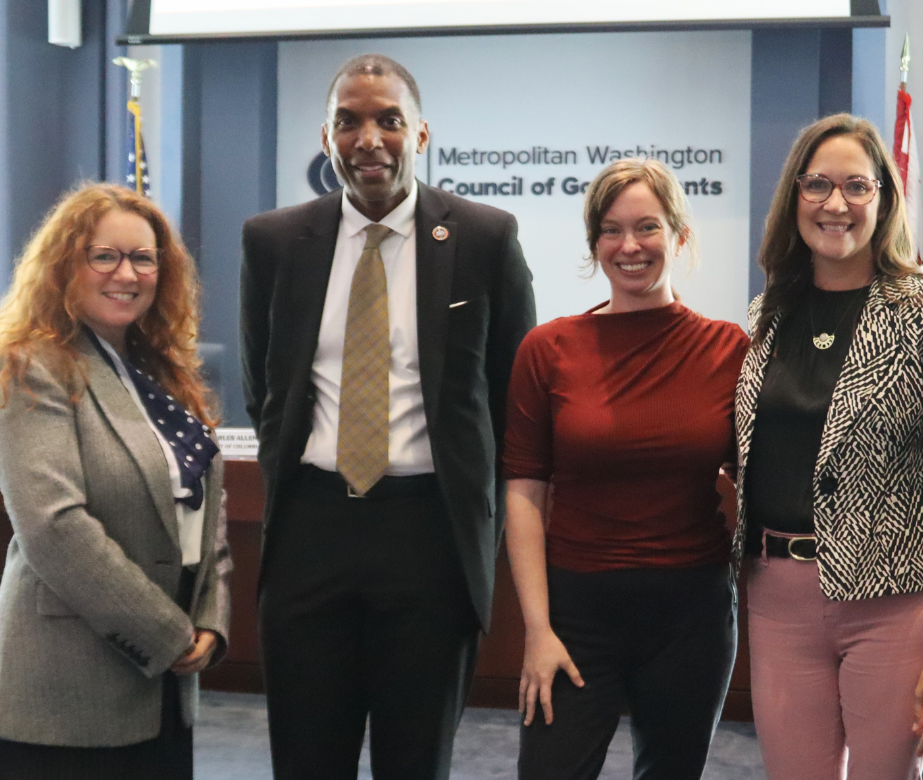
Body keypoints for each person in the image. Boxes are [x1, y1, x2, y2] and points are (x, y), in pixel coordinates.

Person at [241, 54, 536, 780]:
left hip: (428, 539)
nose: (368, 137)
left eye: (388, 120)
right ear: (326, 136)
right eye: (349, 121)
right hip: (310, 534)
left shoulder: (484, 238)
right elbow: (265, 388)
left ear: (422, 133)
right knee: (307, 762)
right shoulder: (275, 242)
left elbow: (512, 397)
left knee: (415, 763)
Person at [734, 113, 923, 780]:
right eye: (817, 185)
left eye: (856, 186)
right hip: (776, 594)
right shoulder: (767, 315)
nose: (835, 204)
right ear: (794, 198)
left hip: (894, 603)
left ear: (885, 199)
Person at [503, 158, 747, 780]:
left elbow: (760, 478)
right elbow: (524, 493)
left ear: (679, 236)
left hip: (690, 615)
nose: (630, 246)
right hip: (575, 617)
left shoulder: (730, 351)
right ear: (594, 245)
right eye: (611, 230)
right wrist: (537, 629)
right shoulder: (549, 349)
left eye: (648, 227)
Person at [0, 183, 231, 780]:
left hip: (164, 698)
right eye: (104, 256)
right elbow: (53, 528)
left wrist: (211, 616)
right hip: (67, 696)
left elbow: (205, 506)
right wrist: (168, 634)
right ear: (64, 266)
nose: (125, 273)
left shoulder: (161, 373)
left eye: (143, 258)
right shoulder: (32, 365)